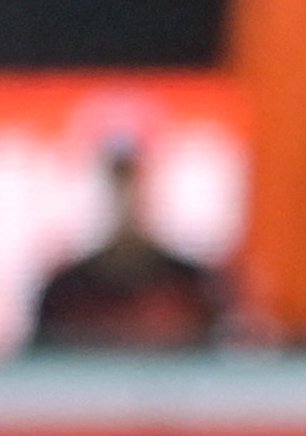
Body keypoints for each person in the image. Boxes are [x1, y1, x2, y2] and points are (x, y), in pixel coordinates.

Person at [33, 146, 224, 350]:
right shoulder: (66, 291)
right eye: (118, 187)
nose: (126, 200)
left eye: (134, 186)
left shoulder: (188, 285)